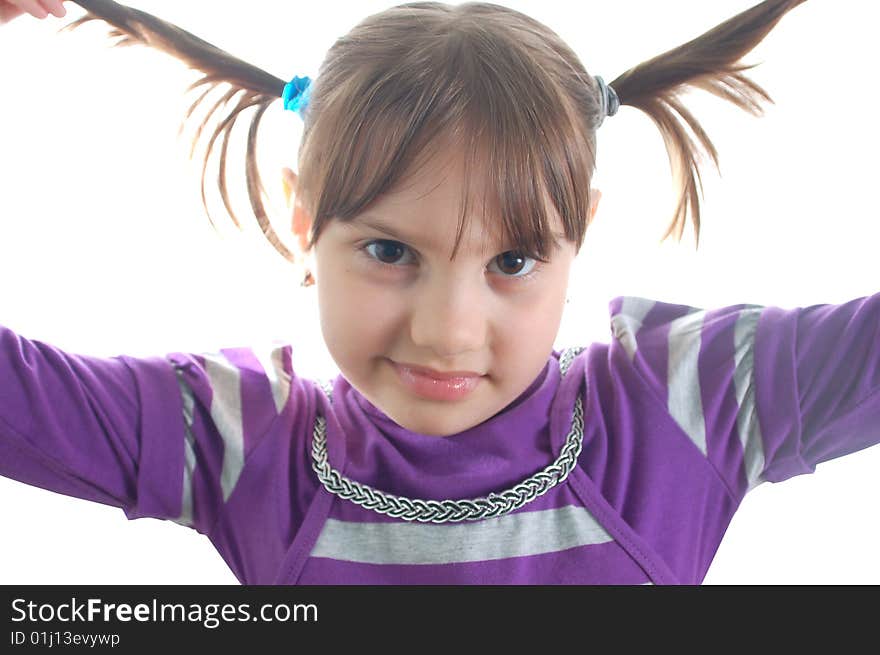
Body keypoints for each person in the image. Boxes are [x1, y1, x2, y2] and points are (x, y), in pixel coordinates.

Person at [1, 0, 877, 585]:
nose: (449, 332)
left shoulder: (690, 404)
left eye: (515, 261)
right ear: (304, 223)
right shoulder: (237, 440)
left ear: (581, 236)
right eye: (389, 250)